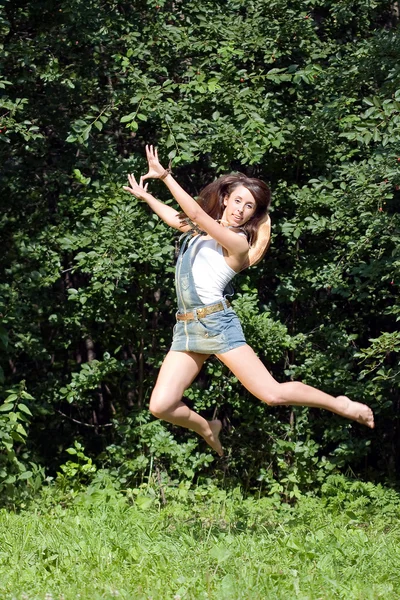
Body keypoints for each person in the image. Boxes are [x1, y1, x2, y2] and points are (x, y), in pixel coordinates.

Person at [124, 145, 374, 456]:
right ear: (226, 198)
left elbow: (196, 212)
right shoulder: (198, 232)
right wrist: (147, 196)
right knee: (161, 405)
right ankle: (205, 426)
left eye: (250, 206)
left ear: (253, 215)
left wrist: (165, 176)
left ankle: (340, 404)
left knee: (272, 394)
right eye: (238, 200)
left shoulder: (238, 242)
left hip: (216, 325)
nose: (241, 209)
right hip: (186, 329)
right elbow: (178, 219)